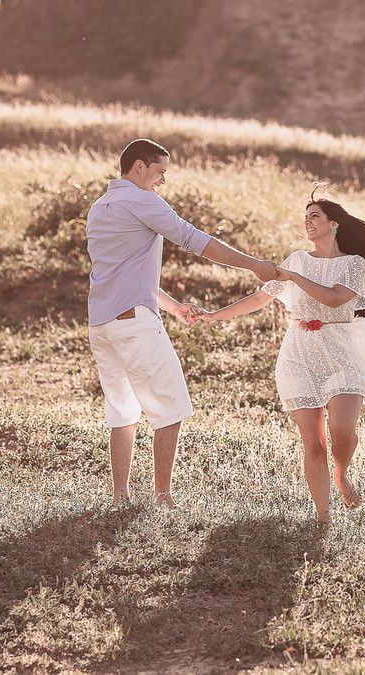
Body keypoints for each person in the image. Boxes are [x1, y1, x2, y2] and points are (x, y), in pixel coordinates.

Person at [191, 195, 365, 524]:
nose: (308, 221)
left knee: (342, 431)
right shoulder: (296, 259)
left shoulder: (354, 264)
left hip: (340, 350)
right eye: (306, 217)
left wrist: (294, 278)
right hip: (298, 353)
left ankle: (341, 474)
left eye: (315, 216)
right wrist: (212, 316)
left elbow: (335, 299)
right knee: (314, 443)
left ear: (334, 223)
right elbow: (260, 298)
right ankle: (324, 519)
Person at [87, 138, 281, 508]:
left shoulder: (100, 206)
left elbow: (121, 272)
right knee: (171, 407)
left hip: (102, 325)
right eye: (160, 171)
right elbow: (196, 241)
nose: (162, 181)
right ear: (139, 167)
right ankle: (163, 498)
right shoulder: (143, 201)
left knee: (122, 410)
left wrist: (173, 306)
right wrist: (254, 264)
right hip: (134, 323)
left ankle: (120, 497)